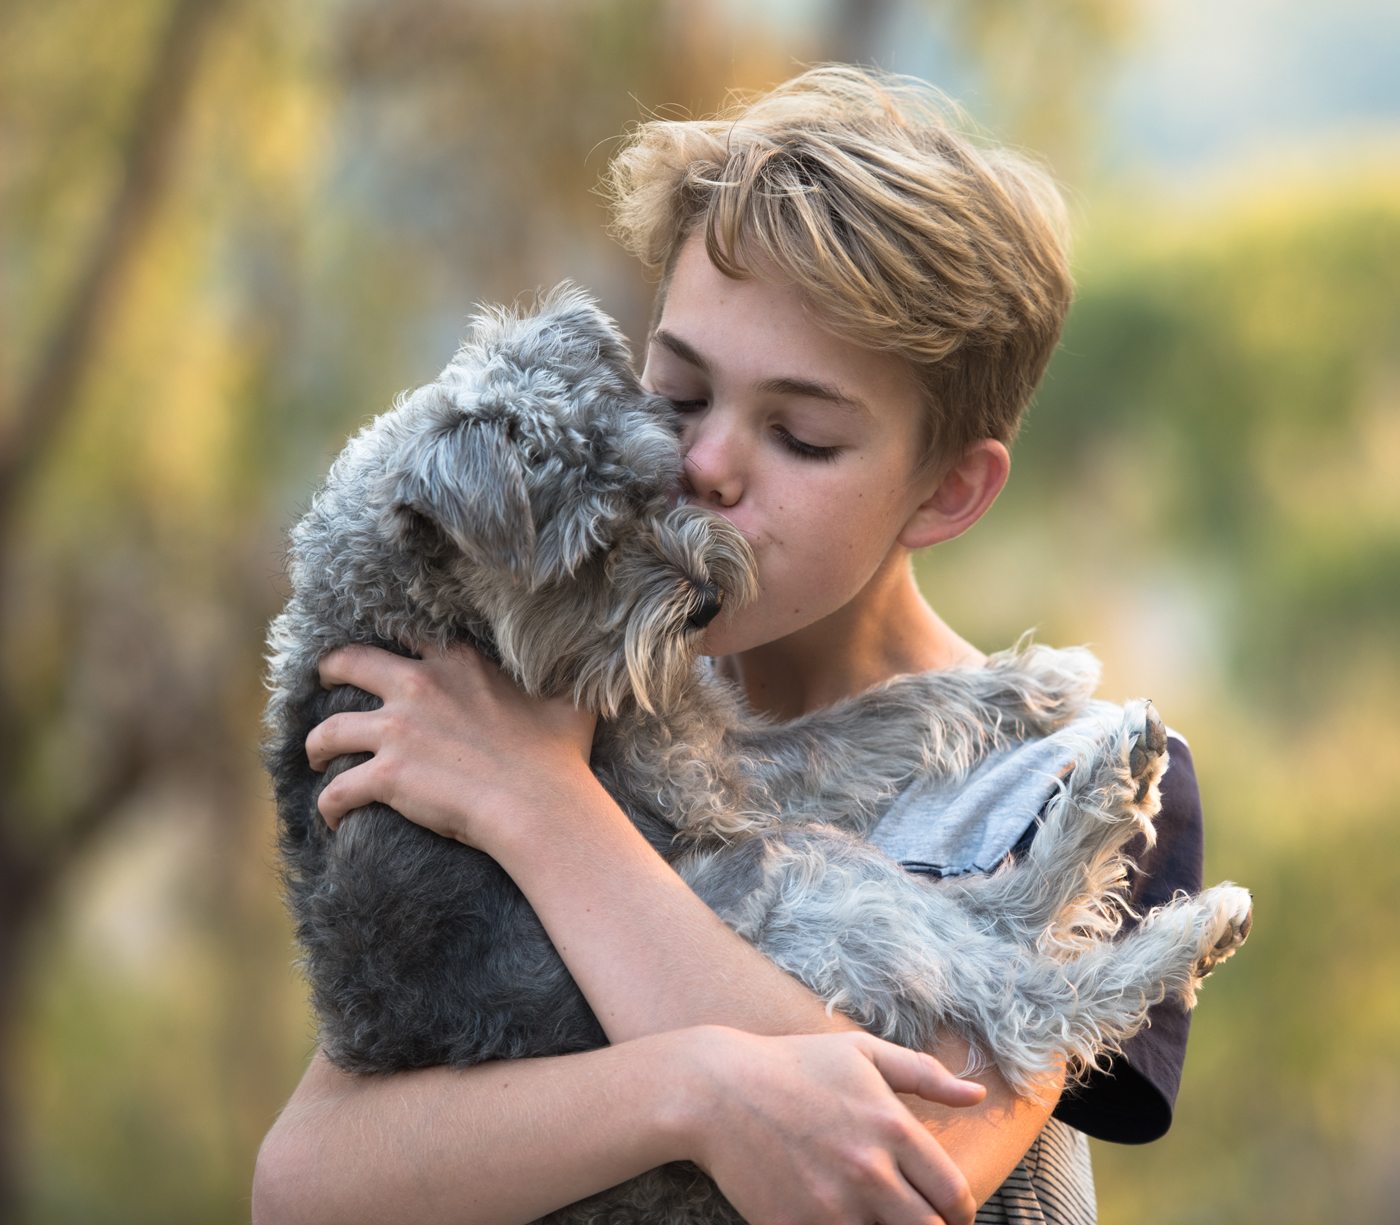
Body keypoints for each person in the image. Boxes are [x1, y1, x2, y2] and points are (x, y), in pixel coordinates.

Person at [252, 66, 1203, 1225]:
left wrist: (549, 814)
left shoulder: (1067, 778)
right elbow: (305, 1182)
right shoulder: (556, 697)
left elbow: (900, 1170)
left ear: (946, 490)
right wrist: (689, 1089)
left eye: (798, 436)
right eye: (678, 392)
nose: (703, 467)